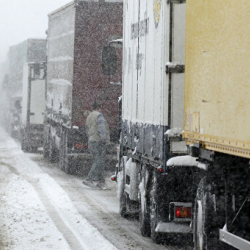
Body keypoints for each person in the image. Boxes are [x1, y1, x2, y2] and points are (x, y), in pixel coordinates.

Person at [83, 100, 110, 188]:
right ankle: (89, 179)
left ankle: (101, 181)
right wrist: (104, 139)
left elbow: (87, 129)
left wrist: (91, 137)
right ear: (99, 108)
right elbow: (102, 129)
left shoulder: (89, 116)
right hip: (98, 141)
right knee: (98, 161)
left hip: (91, 141)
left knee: (99, 161)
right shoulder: (99, 116)